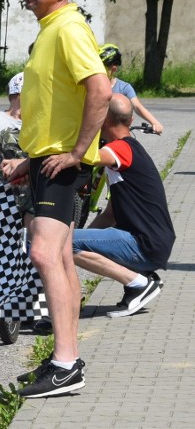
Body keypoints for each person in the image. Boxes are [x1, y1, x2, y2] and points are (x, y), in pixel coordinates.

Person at [2, 0, 112, 398]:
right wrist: (31, 157)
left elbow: (100, 90)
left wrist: (78, 152)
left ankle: (66, 365)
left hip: (62, 165)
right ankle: (65, 361)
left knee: (45, 255)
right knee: (61, 259)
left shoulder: (68, 28)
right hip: (46, 162)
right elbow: (54, 107)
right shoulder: (51, 31)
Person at [71, 93, 174, 317]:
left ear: (103, 120)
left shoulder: (121, 149)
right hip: (155, 243)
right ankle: (140, 279)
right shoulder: (130, 149)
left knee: (63, 243)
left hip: (145, 244)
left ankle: (139, 283)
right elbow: (110, 214)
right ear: (131, 121)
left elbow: (88, 158)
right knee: (74, 242)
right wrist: (86, 240)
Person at [98, 43, 164, 134]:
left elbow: (137, 106)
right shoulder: (93, 87)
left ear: (113, 69)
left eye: (101, 69)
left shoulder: (124, 88)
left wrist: (155, 123)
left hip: (117, 134)